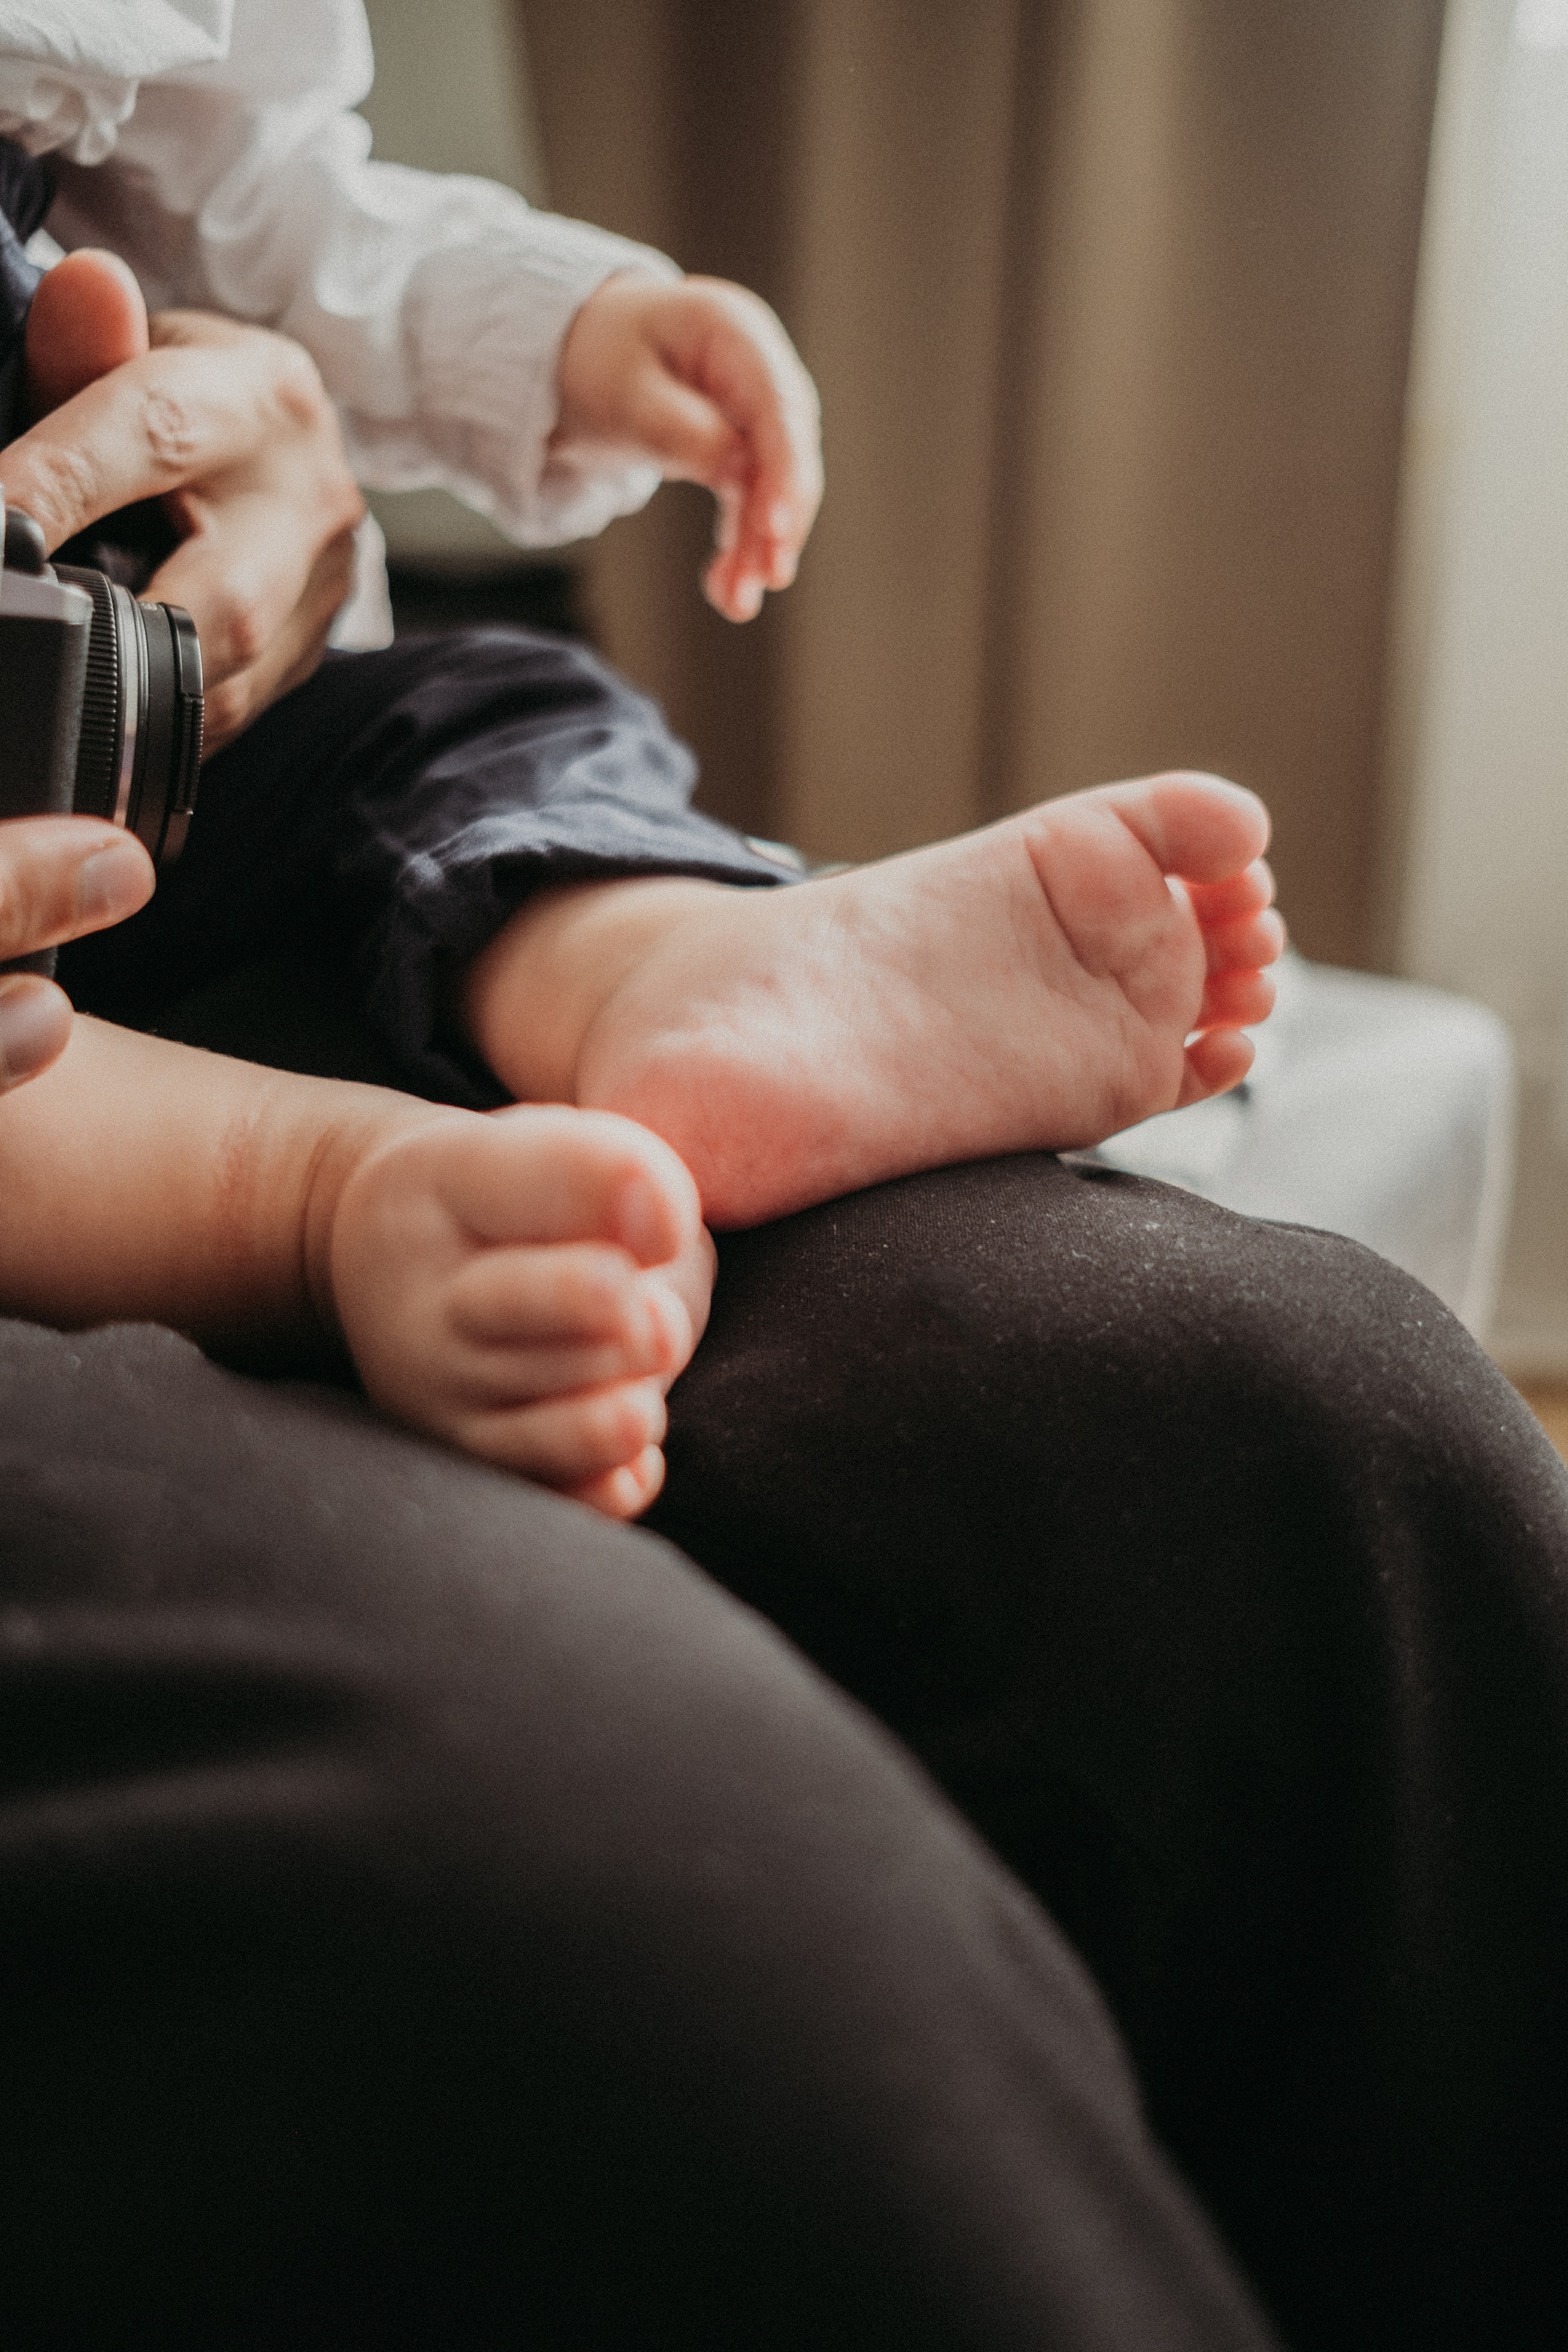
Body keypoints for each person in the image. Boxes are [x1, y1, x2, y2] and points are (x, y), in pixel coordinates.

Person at [2, 10, 1568, 2351]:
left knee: (1301, 1446)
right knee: (682, 1915)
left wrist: (566, 330)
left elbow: (280, 203)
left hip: (130, 724)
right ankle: (340, 1180)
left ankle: (654, 968)